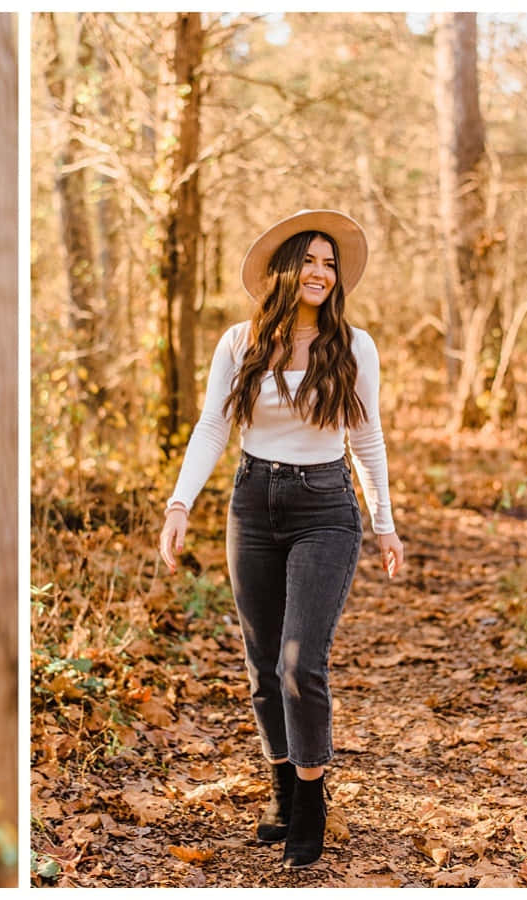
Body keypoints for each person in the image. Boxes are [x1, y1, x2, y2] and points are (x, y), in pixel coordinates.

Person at [158, 209, 405, 869]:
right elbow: (212, 425)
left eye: (330, 264)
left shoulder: (354, 346)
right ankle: (278, 787)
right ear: (283, 271)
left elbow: (366, 437)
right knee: (262, 663)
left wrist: (382, 520)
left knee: (301, 663)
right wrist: (180, 501)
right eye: (310, 261)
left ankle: (310, 795)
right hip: (251, 502)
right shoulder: (239, 342)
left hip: (324, 507)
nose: (321, 273)